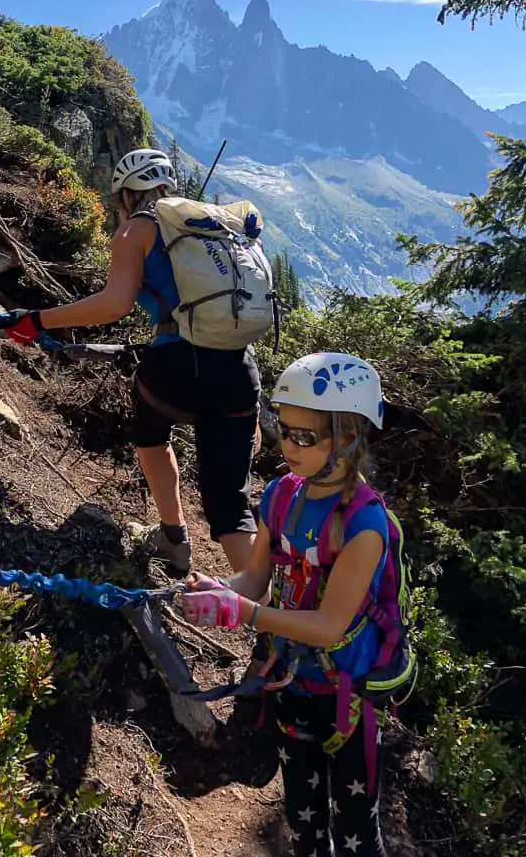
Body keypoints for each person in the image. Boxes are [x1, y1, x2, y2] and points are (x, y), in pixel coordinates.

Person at [0, 148, 262, 574]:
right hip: (239, 371)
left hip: (177, 368)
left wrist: (39, 321)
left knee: (151, 432)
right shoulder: (216, 226)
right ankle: (269, 623)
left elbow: (115, 304)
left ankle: (174, 538)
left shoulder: (137, 229)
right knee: (231, 507)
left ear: (124, 195)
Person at [182, 352, 403, 857]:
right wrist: (218, 587)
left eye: (306, 436)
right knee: (302, 821)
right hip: (291, 683)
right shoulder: (281, 495)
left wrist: (246, 613)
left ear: (349, 436)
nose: (288, 444)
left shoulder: (364, 526)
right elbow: (256, 576)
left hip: (347, 696)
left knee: (356, 834)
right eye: (285, 429)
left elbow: (328, 625)